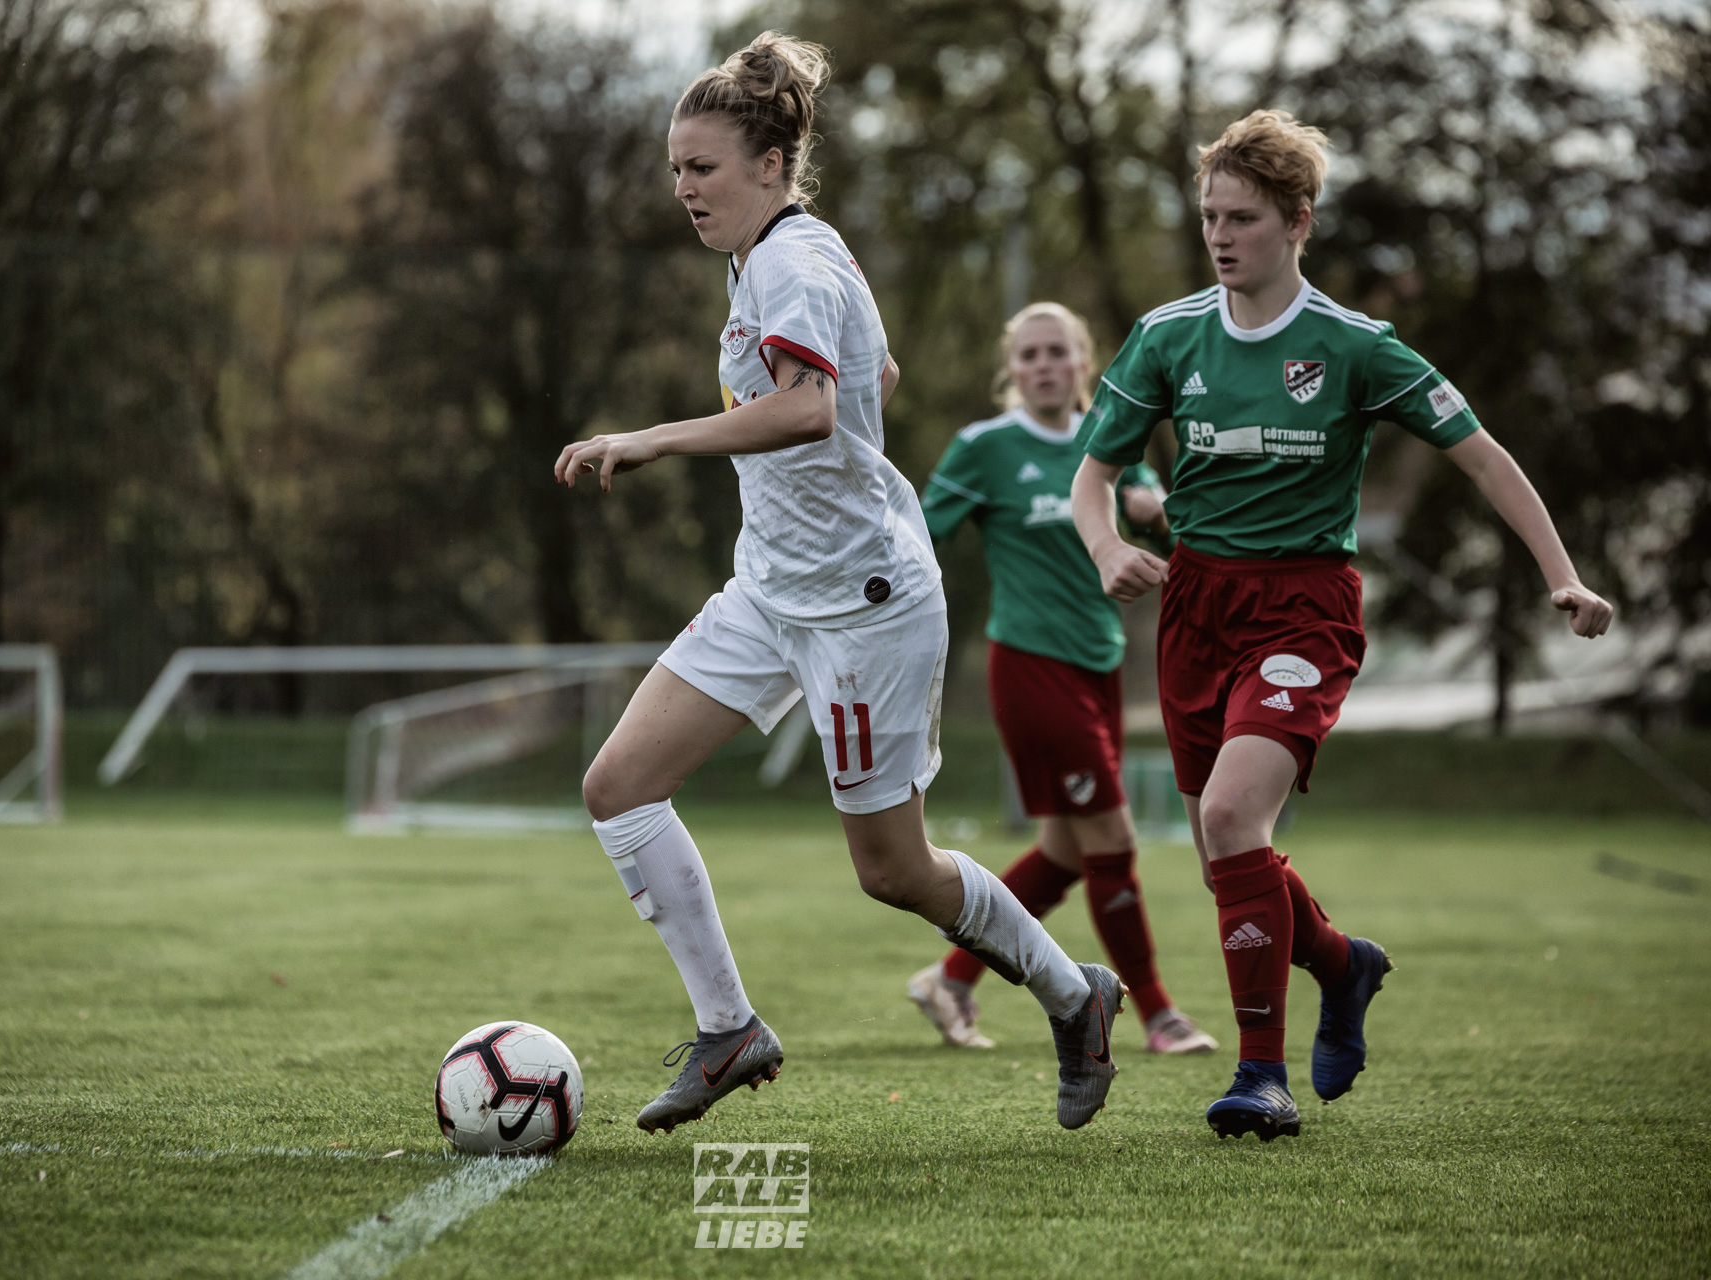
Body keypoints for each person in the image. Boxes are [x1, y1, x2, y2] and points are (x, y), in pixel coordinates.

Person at [554, 32, 1122, 1137]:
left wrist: (656, 438)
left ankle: (1073, 992)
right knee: (618, 784)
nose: (683, 187)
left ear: (770, 164)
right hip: (770, 588)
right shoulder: (777, 251)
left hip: (866, 607)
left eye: (702, 166)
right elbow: (878, 375)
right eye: (675, 166)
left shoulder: (793, 261)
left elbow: (813, 405)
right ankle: (729, 1030)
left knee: (894, 869)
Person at [1070, 109, 1614, 1141]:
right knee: (1227, 849)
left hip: (1305, 607)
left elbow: (1485, 456)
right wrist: (1105, 548)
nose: (1222, 237)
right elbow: (1093, 478)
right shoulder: (1167, 334)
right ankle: (1340, 961)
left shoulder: (1356, 347)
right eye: (1209, 218)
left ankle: (1258, 1074)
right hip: (1195, 607)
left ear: (1298, 221)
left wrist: (1563, 576)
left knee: (1232, 820)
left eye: (1244, 218)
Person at [907, 301, 1218, 1057]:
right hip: (1029, 663)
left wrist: (1153, 509)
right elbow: (914, 532)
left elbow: (1166, 527)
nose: (1045, 366)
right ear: (1011, 371)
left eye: (1059, 352)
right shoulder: (985, 448)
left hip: (1102, 663)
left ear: (1086, 362)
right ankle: (1156, 1013)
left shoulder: (1112, 443)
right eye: (1030, 355)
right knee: (1112, 834)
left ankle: (948, 978)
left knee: (1068, 854)